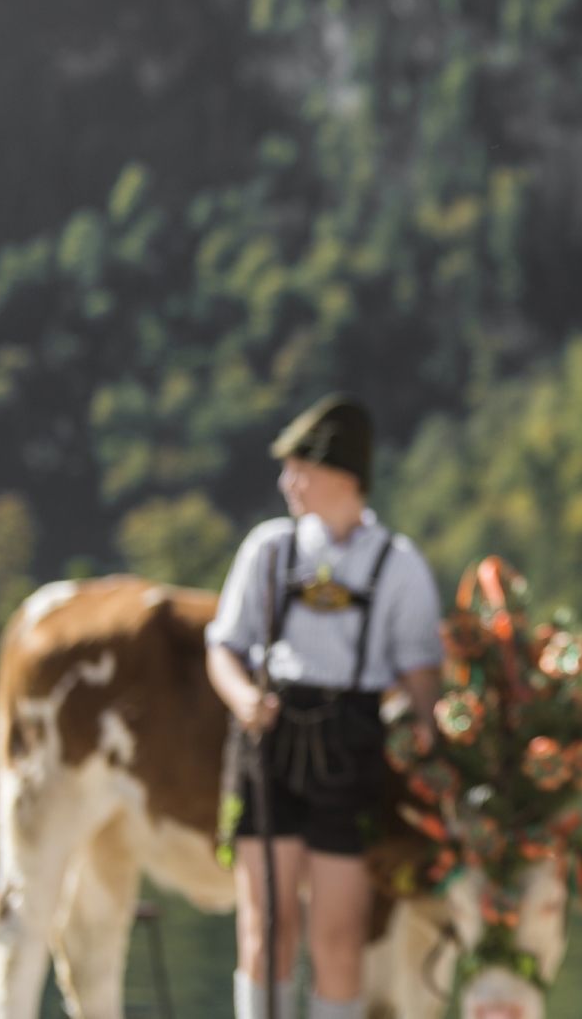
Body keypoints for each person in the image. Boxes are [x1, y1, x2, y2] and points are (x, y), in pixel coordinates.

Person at [205, 394, 442, 1019]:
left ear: (342, 474)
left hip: (352, 744)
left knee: (337, 938)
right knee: (266, 925)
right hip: (270, 739)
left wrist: (427, 730)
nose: (288, 483)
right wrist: (242, 697)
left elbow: (420, 669)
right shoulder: (271, 549)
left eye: (299, 470)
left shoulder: (399, 563)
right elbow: (223, 648)